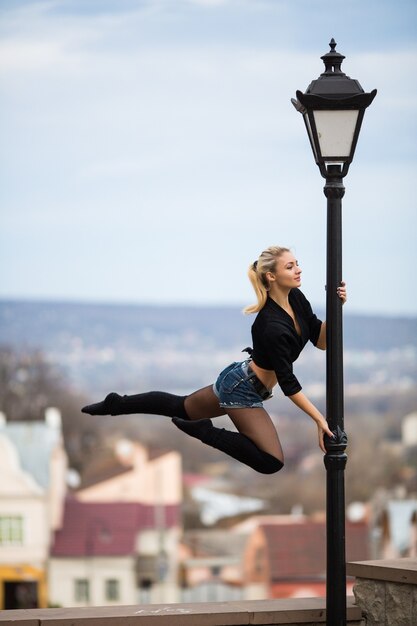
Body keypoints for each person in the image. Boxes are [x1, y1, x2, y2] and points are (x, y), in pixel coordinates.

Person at [82, 246, 347, 475]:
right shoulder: (270, 325)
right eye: (290, 266)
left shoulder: (297, 300)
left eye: (297, 264)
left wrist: (337, 308)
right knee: (271, 462)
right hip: (242, 389)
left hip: (239, 379)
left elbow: (322, 340)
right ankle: (206, 431)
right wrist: (319, 420)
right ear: (271, 276)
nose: (298, 269)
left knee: (180, 406)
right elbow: (289, 384)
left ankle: (116, 403)